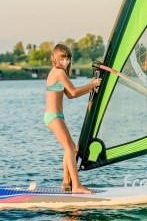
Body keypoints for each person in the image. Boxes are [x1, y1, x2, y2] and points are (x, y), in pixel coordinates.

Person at [44, 43, 101, 194]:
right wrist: (92, 84)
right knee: (70, 148)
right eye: (62, 58)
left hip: (56, 116)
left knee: (70, 148)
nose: (66, 61)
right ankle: (76, 185)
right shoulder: (58, 73)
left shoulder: (57, 73)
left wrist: (90, 88)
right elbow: (74, 92)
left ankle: (65, 183)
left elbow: (69, 95)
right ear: (54, 58)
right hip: (53, 117)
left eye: (68, 58)